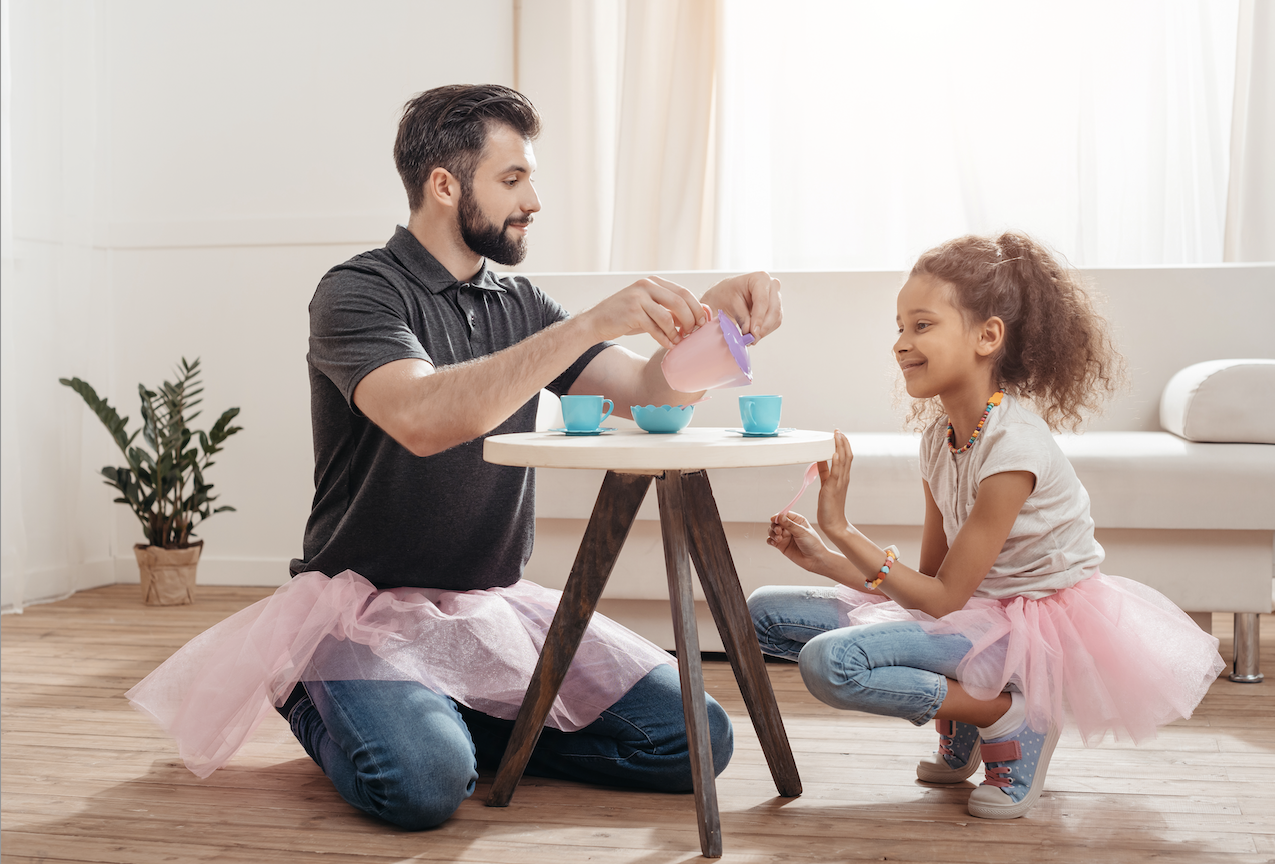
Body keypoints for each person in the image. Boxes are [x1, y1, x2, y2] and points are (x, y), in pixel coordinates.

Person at [126, 83, 784, 830]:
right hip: (360, 610)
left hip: (487, 607)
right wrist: (595, 320)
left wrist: (719, 329)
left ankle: (464, 719)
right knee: (425, 786)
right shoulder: (357, 293)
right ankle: (320, 695)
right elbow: (427, 418)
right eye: (512, 180)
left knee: (698, 739)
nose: (533, 199)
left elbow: (645, 391)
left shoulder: (521, 304)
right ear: (445, 185)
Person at [748, 232, 1223, 820]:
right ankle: (968, 714)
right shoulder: (939, 440)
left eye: (921, 325)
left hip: (1024, 626)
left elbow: (945, 600)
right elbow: (928, 584)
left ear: (987, 336)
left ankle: (1004, 716)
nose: (900, 343)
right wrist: (825, 558)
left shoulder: (1012, 449)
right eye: (898, 327)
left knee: (830, 663)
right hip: (967, 612)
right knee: (762, 614)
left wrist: (842, 528)